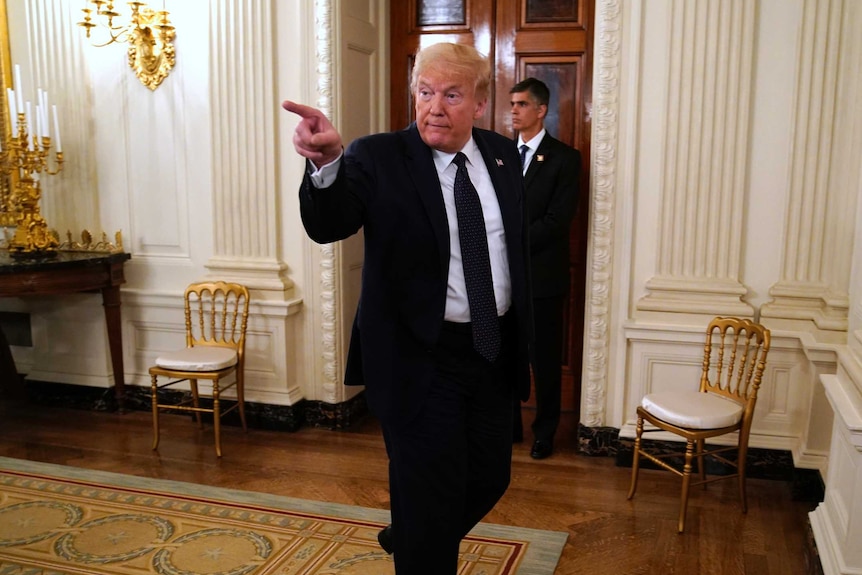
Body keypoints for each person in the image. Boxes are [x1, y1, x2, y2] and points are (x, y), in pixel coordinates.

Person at [282, 42, 532, 575]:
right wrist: (327, 163)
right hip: (420, 358)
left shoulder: (502, 156)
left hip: (491, 351)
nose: (433, 107)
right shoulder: (378, 156)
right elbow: (329, 224)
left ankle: (413, 534)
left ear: (481, 103)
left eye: (451, 95)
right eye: (424, 92)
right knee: (428, 493)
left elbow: (513, 249)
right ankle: (420, 540)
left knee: (490, 477)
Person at [509, 77, 581, 460]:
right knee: (504, 356)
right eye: (512, 104)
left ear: (541, 110)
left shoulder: (565, 159)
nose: (514, 111)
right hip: (502, 280)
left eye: (521, 104)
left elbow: (557, 221)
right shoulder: (500, 154)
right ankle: (509, 428)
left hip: (543, 279)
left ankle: (545, 433)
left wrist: (508, 244)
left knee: (546, 361)